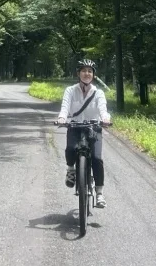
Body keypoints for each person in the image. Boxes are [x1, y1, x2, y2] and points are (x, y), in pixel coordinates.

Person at [55, 58, 112, 208]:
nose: (87, 73)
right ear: (78, 73)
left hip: (94, 127)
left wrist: (105, 118)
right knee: (71, 149)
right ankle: (71, 170)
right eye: (84, 71)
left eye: (90, 71)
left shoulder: (98, 93)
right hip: (75, 126)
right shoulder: (70, 91)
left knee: (97, 158)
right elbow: (65, 106)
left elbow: (103, 108)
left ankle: (99, 193)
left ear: (93, 75)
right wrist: (62, 118)